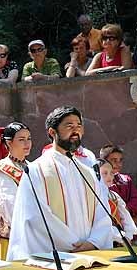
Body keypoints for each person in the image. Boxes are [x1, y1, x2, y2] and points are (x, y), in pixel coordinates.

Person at [6, 106, 114, 260]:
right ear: (52, 132)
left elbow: (102, 212)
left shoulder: (87, 172)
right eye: (69, 126)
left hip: (90, 254)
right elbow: (36, 217)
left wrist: (93, 242)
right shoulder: (36, 170)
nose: (75, 130)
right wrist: (75, 245)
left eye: (79, 126)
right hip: (55, 259)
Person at [0, 123, 32, 259]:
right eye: (21, 139)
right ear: (9, 143)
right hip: (13, 233)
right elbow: (10, 208)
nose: (27, 143)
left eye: (29, 138)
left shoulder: (31, 166)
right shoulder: (3, 171)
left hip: (34, 229)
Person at [94, 158, 137, 246]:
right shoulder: (93, 197)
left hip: (120, 240)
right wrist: (121, 237)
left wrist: (128, 235)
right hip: (102, 240)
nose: (109, 176)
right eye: (105, 173)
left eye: (111, 173)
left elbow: (125, 217)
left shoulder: (114, 195)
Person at [100, 144, 137, 219]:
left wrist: (126, 210)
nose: (118, 164)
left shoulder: (126, 180)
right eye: (114, 160)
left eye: (120, 160)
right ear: (104, 161)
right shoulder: (99, 182)